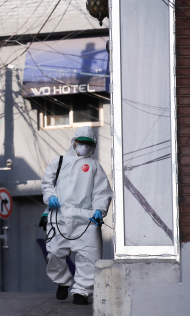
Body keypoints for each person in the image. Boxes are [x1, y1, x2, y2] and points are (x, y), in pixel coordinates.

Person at [41, 126, 112, 306]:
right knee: (55, 253)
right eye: (81, 143)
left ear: (93, 146)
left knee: (89, 256)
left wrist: (99, 210)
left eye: (88, 144)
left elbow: (102, 192)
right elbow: (47, 182)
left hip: (86, 218)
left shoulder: (95, 166)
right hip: (60, 216)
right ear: (74, 143)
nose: (84, 147)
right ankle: (62, 281)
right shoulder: (59, 162)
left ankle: (82, 291)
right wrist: (51, 197)